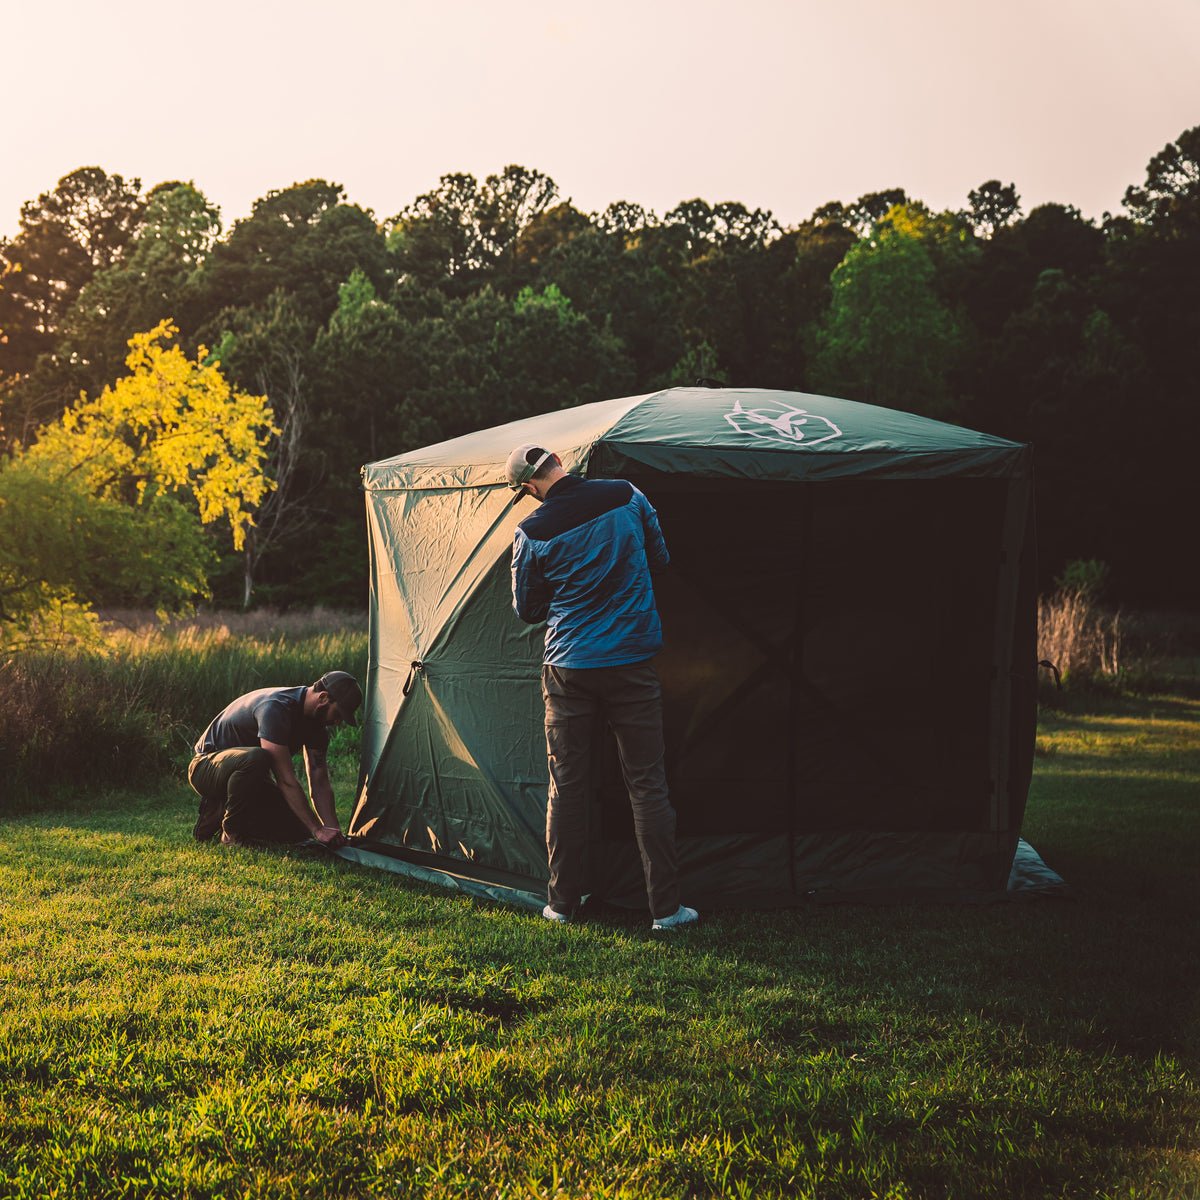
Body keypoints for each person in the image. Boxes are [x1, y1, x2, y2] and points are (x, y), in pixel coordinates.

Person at [506, 442, 698, 931]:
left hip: (568, 667)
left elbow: (528, 610)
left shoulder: (530, 531)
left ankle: (561, 905)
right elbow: (660, 556)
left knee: (566, 786)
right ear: (559, 465)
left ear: (530, 487)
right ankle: (666, 911)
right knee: (647, 783)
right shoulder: (628, 495)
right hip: (632, 660)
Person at [188, 670, 362, 848]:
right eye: (339, 713)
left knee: (299, 833)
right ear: (324, 698)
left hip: (251, 778)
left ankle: (238, 816)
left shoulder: (318, 726)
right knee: (257, 757)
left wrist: (332, 831)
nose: (338, 722)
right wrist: (318, 829)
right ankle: (231, 833)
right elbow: (285, 780)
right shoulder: (275, 708)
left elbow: (320, 782)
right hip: (205, 766)